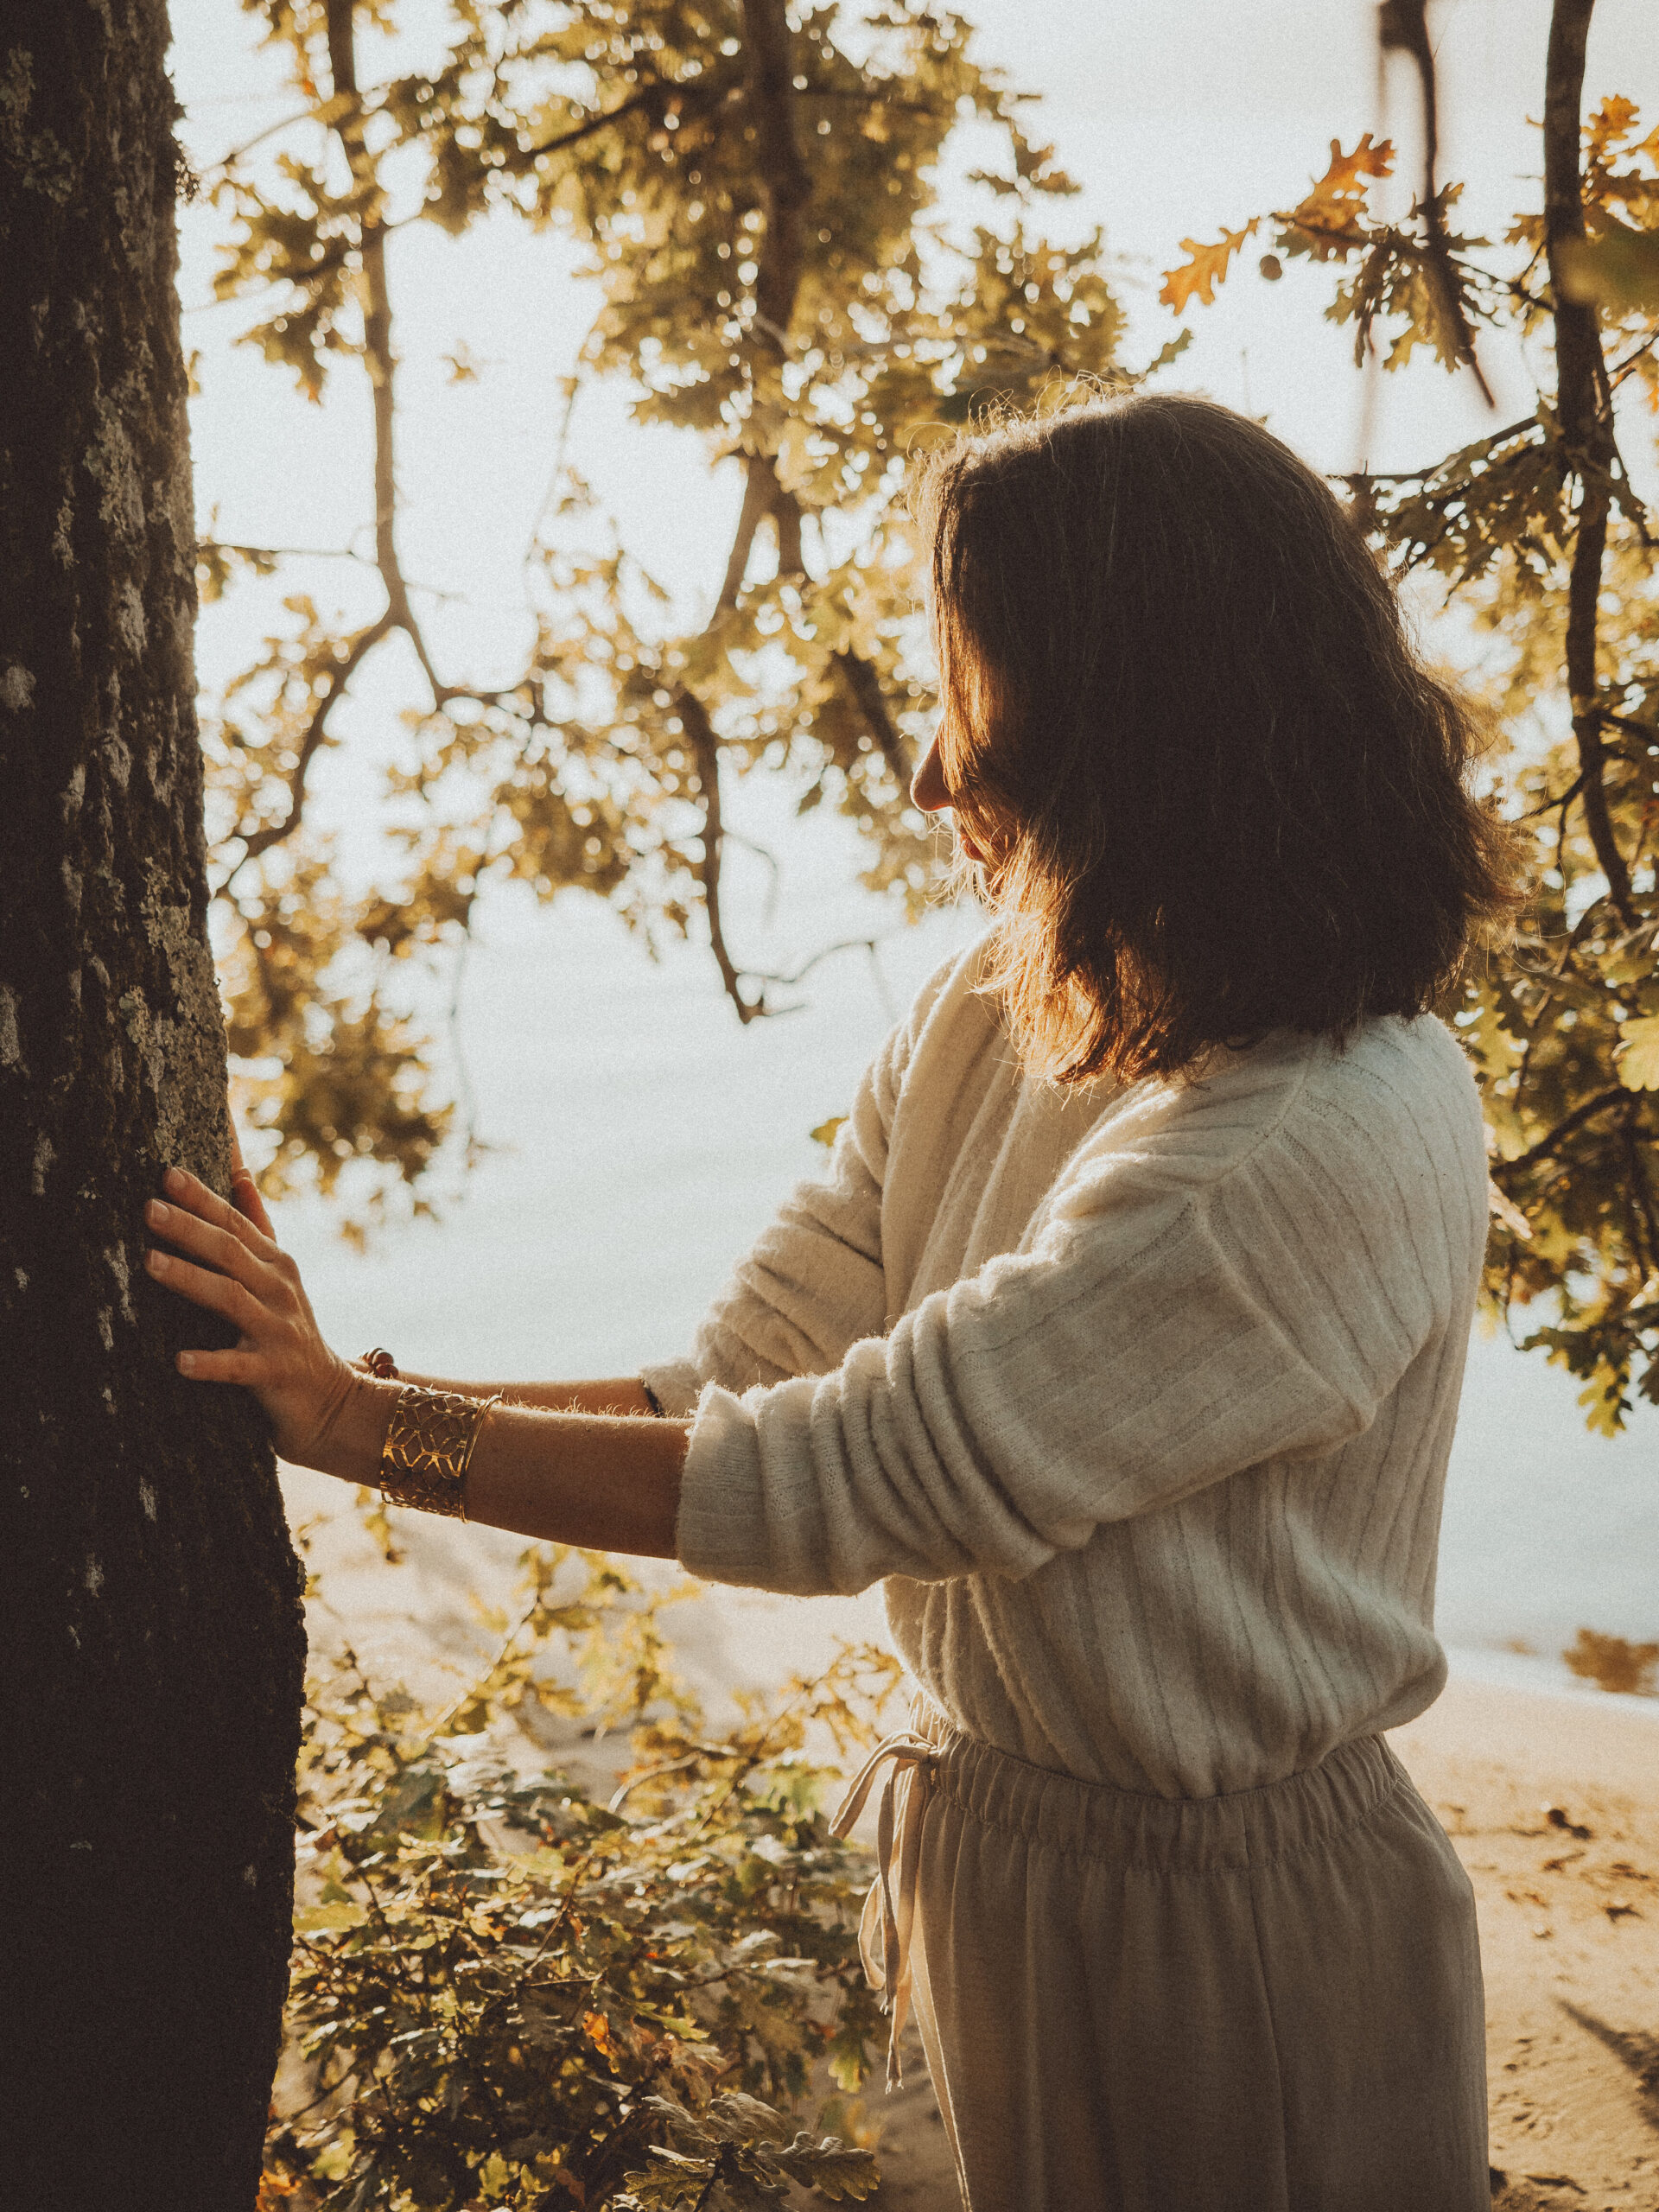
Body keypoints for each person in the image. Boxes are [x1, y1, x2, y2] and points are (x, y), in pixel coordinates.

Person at [147, 394, 1516, 2212]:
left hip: (1232, 1938)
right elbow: (748, 1374)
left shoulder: (1315, 1141)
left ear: (1142, 725)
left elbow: (858, 1473)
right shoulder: (1010, 1002)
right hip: (1001, 1864)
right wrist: (342, 1388)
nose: (930, 777)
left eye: (974, 700)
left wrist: (358, 1425)